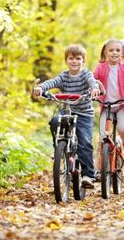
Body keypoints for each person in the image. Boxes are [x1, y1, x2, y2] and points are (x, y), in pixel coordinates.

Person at [32, 44, 101, 188]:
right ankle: (59, 148)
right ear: (66, 60)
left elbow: (92, 82)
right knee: (55, 120)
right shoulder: (64, 76)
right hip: (67, 110)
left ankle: (88, 174)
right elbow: (53, 82)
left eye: (78, 58)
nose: (74, 61)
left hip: (83, 114)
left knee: (85, 143)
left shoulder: (85, 74)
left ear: (83, 61)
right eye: (71, 58)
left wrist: (94, 89)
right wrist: (41, 88)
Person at [93, 38, 124, 163]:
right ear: (105, 53)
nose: (114, 53)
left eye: (118, 50)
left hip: (122, 105)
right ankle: (100, 167)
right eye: (111, 50)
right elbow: (92, 80)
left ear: (122, 53)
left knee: (122, 128)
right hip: (106, 106)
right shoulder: (100, 68)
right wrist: (92, 90)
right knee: (103, 136)